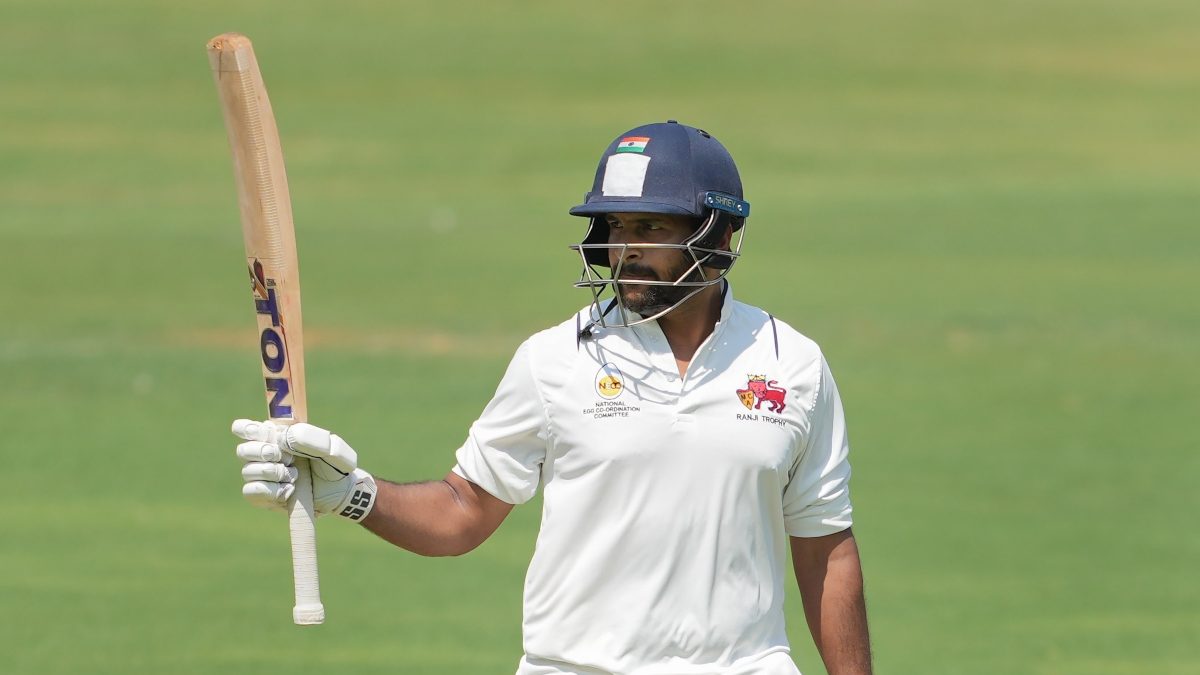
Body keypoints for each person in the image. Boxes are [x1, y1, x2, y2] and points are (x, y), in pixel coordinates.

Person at [233, 120, 873, 675]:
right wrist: (353, 494)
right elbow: (463, 511)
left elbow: (826, 547)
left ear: (719, 234)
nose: (624, 249)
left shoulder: (791, 364)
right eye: (614, 226)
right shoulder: (556, 359)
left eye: (650, 226)